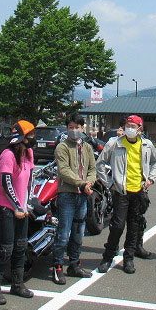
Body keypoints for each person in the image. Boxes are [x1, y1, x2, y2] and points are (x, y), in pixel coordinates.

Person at [96, 114, 156, 274]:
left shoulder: (146, 145)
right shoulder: (115, 143)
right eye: (128, 126)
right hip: (121, 191)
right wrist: (110, 183)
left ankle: (129, 258)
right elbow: (100, 164)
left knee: (134, 226)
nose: (129, 129)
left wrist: (150, 179)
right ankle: (107, 257)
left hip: (139, 191)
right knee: (117, 226)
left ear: (140, 129)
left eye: (133, 126)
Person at [0, 120, 36, 305]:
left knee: (21, 246)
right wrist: (16, 206)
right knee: (6, 248)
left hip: (20, 207)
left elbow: (29, 180)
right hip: (4, 207)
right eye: (30, 135)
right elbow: (6, 183)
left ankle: (17, 283)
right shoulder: (7, 155)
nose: (33, 139)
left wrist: (26, 204)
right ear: (21, 138)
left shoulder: (29, 153)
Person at [51, 113, 97, 284]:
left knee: (78, 232)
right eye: (71, 127)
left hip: (83, 195)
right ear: (67, 128)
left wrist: (89, 183)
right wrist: (82, 183)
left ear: (82, 128)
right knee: (63, 233)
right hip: (67, 195)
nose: (74, 130)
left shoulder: (87, 147)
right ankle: (57, 267)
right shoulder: (62, 147)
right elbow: (64, 171)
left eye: (77, 127)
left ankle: (74, 264)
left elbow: (92, 169)